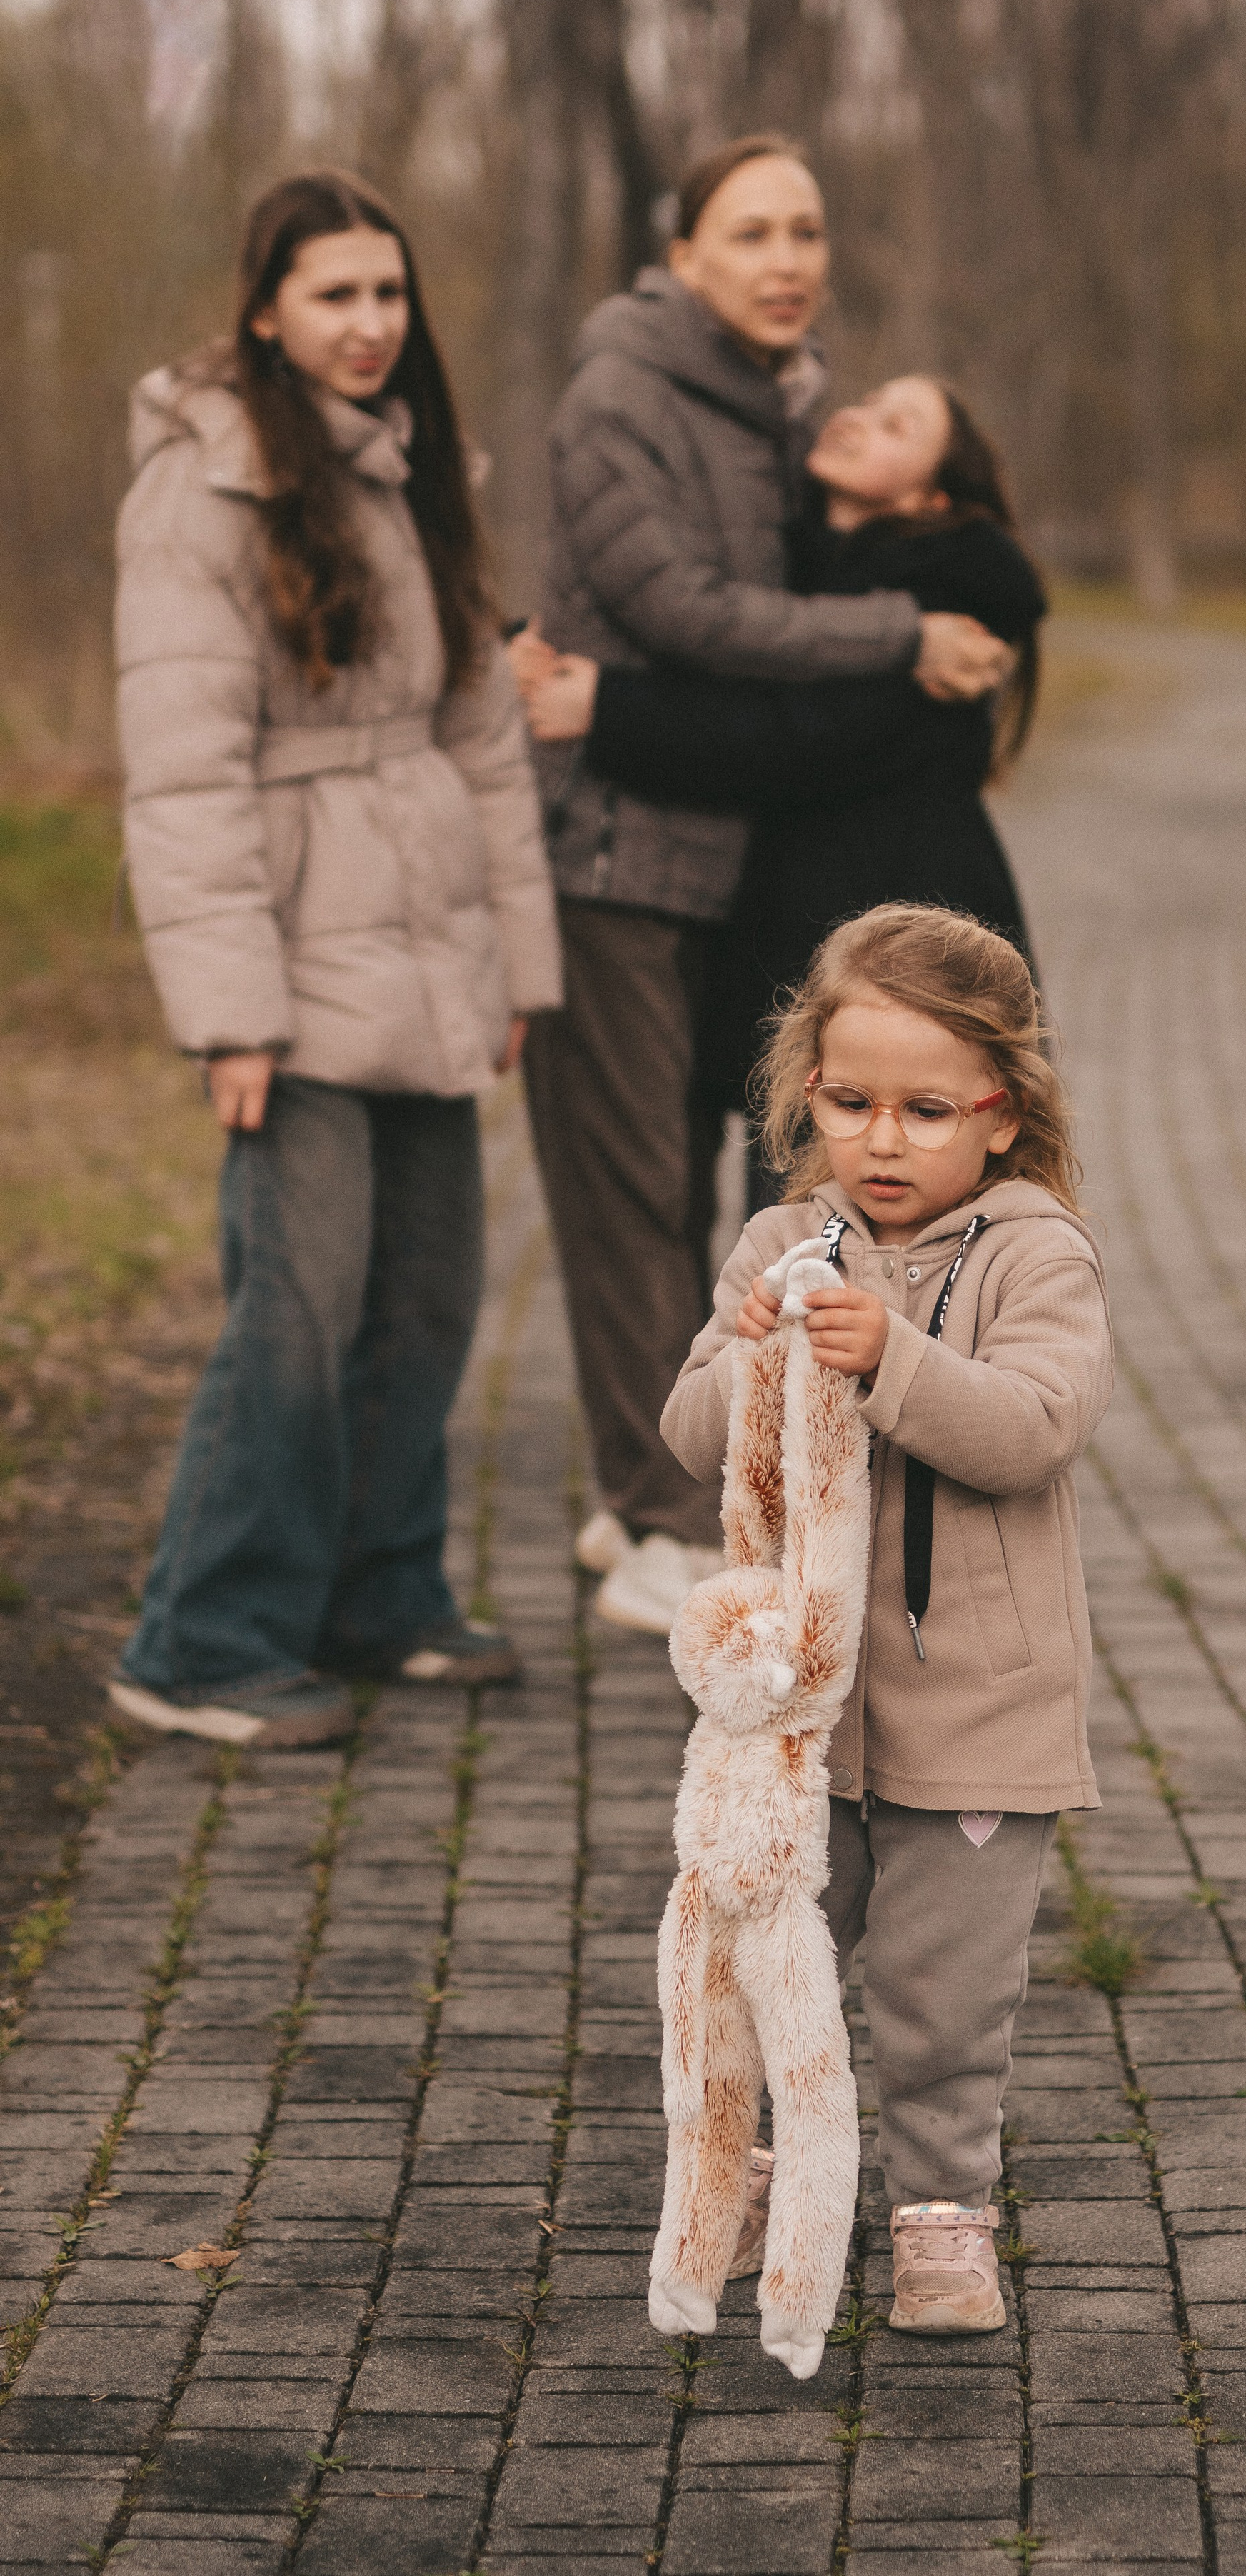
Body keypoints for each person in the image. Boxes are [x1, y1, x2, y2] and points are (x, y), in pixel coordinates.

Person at [523, 134, 1010, 1641]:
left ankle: (659, 1488)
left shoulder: (790, 401)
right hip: (616, 848)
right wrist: (899, 634)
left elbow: (811, 595)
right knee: (631, 1196)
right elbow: (687, 611)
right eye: (750, 233)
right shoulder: (621, 398)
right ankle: (654, 1510)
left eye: (806, 231)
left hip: (732, 854)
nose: (788, 261)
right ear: (683, 259)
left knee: (717, 1195)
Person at [107, 169, 562, 1751]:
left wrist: (515, 965)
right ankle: (201, 1641)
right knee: (295, 1305)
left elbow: (481, 737)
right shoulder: (202, 491)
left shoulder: (421, 470)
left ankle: (378, 1595)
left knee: (427, 1291)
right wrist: (232, 1015)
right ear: (264, 313)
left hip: (432, 943)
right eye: (334, 296)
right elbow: (185, 778)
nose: (370, 324)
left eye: (388, 292)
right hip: (292, 962)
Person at [660, 903, 1111, 2332]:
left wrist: (892, 1362)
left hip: (975, 1711)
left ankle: (941, 2219)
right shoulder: (781, 1240)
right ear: (809, 1095)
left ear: (1001, 1113)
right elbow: (689, 1438)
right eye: (851, 1103)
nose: (883, 1140)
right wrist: (744, 1360)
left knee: (940, 1993)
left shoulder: (1036, 1254)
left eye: (927, 1110)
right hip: (802, 1718)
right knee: (760, 1963)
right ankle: (756, 2183)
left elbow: (1033, 1429)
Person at [517, 372, 1046, 1136]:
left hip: (909, 962)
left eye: (896, 427)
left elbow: (795, 737)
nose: (856, 418)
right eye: (867, 402)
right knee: (792, 1195)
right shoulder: (793, 569)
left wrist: (607, 709)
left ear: (927, 501)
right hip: (806, 961)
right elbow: (705, 638)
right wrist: (521, 643)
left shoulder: (948, 604)